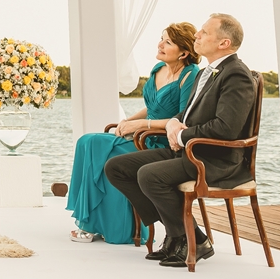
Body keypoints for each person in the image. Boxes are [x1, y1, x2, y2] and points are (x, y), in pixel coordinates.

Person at [105, 13, 257, 268]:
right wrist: (175, 123)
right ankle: (188, 237)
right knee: (117, 168)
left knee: (149, 175)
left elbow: (226, 128)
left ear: (224, 43)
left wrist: (182, 134)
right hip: (191, 152)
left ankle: (184, 238)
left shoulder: (236, 74)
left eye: (204, 32)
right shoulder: (206, 73)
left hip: (215, 158)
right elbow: (186, 114)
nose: (197, 35)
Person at [66, 22, 200, 244]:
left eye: (168, 42)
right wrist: (129, 121)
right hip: (141, 135)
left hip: (162, 143)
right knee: (87, 142)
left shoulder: (189, 75)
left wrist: (141, 126)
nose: (160, 44)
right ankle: (89, 220)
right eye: (161, 38)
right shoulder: (158, 69)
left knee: (106, 154)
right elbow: (152, 106)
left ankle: (119, 229)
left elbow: (184, 119)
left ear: (184, 52)